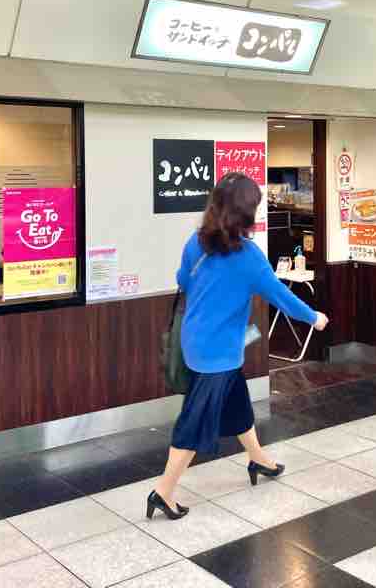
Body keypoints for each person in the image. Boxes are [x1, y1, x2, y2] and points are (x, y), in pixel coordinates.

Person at [148, 173, 329, 520]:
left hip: (197, 341)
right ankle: (164, 491)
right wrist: (313, 317)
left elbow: (182, 281)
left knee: (236, 401)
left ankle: (258, 460)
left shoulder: (195, 242)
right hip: (216, 353)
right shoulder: (249, 257)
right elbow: (280, 296)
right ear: (245, 214)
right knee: (195, 422)